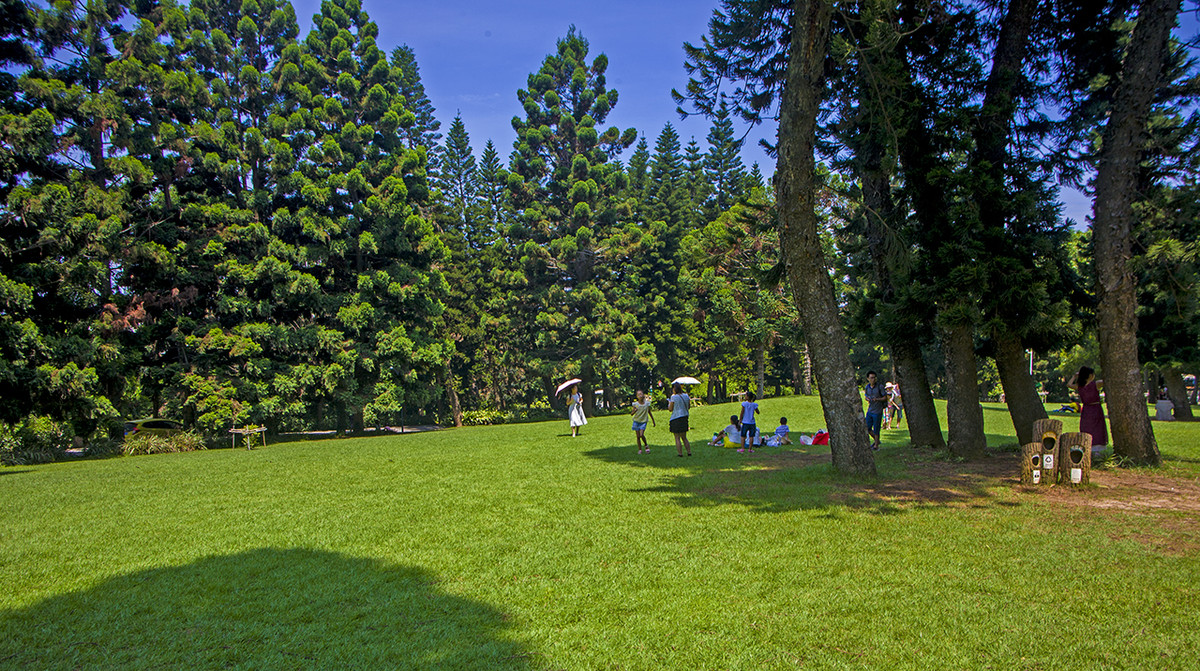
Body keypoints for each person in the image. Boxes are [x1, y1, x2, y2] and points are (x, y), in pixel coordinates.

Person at [1068, 366, 1108, 451]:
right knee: (1097, 428)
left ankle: (1087, 445)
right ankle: (1098, 448)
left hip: (1086, 409)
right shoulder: (1096, 384)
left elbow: (1069, 384)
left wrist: (1074, 376)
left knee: (1087, 427)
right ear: (1090, 375)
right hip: (1095, 408)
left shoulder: (1079, 386)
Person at [667, 382, 692, 457]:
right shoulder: (686, 396)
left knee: (677, 437)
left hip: (676, 418)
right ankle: (689, 452)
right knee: (684, 437)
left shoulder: (673, 397)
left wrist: (669, 403)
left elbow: (670, 409)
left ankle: (680, 453)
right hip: (684, 417)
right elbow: (688, 406)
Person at [863, 371, 886, 450]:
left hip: (878, 410)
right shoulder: (867, 387)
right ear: (868, 378)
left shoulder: (880, 387)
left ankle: (876, 445)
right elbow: (866, 395)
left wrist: (877, 399)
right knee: (867, 427)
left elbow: (885, 397)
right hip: (870, 410)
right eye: (871, 378)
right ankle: (877, 440)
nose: (873, 379)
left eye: (874, 377)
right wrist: (867, 398)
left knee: (876, 428)